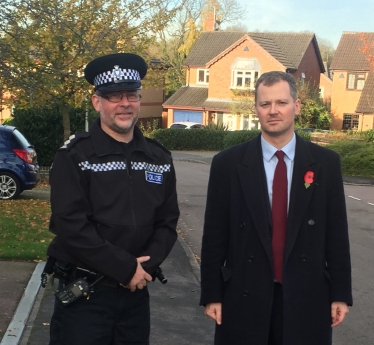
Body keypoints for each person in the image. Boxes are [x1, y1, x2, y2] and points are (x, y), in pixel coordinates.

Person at [200, 71, 352, 345]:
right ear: (256, 108)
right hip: (244, 293)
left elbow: (337, 234)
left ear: (296, 106)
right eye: (265, 104)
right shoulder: (228, 164)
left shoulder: (326, 163)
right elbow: (214, 235)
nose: (273, 111)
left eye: (281, 103)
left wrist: (340, 292)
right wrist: (212, 293)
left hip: (307, 294)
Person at [45, 53, 180, 345]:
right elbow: (70, 225)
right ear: (97, 102)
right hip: (86, 298)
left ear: (139, 100)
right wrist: (125, 267)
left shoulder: (159, 158)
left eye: (131, 95)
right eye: (113, 96)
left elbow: (167, 222)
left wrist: (144, 268)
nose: (124, 104)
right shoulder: (75, 156)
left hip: (135, 296)